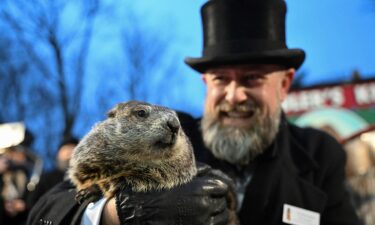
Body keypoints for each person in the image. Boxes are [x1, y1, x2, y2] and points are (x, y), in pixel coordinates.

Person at [28, 0, 361, 224]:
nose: (235, 95)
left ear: (285, 84)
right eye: (221, 80)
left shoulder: (320, 154)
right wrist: (122, 212)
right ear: (206, 83)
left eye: (252, 79)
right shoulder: (168, 135)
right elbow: (48, 210)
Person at [26, 137, 79, 208]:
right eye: (65, 149)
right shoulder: (47, 178)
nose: (69, 154)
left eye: (72, 149)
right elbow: (33, 201)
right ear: (58, 154)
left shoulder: (83, 178)